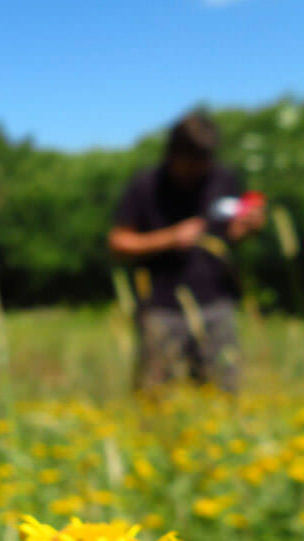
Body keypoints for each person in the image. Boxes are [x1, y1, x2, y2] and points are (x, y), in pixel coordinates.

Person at [108, 111, 265, 392]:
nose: (199, 168)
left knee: (223, 394)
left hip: (217, 303)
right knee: (155, 397)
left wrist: (250, 226)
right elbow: (119, 242)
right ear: (173, 154)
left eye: (205, 160)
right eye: (191, 161)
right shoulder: (146, 185)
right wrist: (169, 238)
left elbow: (229, 234)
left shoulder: (224, 179)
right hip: (161, 308)